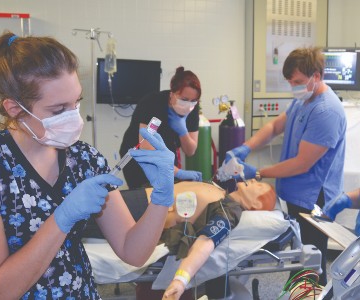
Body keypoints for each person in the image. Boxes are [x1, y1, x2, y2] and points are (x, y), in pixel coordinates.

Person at [0, 32, 176, 300]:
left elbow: (133, 251)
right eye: (58, 109)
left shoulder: (84, 160)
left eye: (76, 102)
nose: (74, 118)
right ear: (14, 108)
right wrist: (62, 218)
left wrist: (162, 197)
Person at [217, 46, 347, 286]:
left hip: (314, 197)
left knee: (311, 262)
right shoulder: (304, 99)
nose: (293, 87)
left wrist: (256, 172)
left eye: (297, 81)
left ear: (316, 76)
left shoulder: (326, 111)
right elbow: (276, 126)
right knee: (301, 259)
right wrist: (246, 147)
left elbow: (302, 164)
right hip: (297, 192)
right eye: (290, 82)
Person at [83, 179, 277, 300]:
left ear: (256, 203)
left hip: (140, 211)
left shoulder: (230, 211)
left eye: (259, 185)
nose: (254, 179)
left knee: (75, 216)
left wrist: (180, 280)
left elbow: (206, 242)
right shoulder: (222, 192)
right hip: (142, 199)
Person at [119, 66, 203, 189]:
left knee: (168, 194)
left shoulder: (192, 110)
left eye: (193, 100)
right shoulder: (153, 103)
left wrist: (183, 132)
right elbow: (146, 147)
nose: (188, 105)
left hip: (166, 155)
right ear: (172, 93)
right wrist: (177, 172)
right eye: (184, 99)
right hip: (138, 158)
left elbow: (190, 151)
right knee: (146, 195)